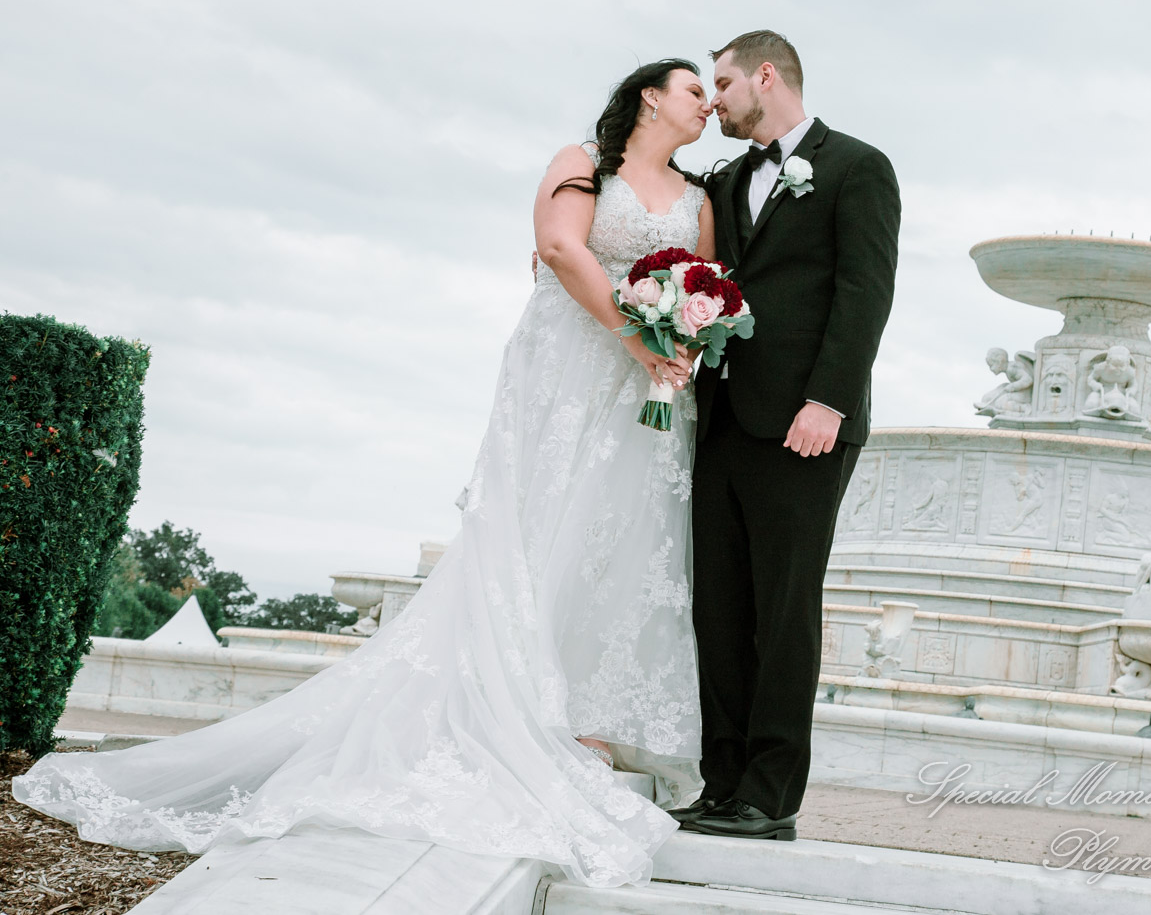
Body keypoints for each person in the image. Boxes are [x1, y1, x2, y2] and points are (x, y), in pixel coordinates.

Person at [12, 58, 718, 889]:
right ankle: (526, 708)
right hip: (567, 372)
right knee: (535, 533)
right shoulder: (582, 162)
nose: (706, 104)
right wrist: (633, 333)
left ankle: (589, 719)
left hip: (643, 394)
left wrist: (676, 344)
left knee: (620, 542)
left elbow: (705, 282)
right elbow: (560, 246)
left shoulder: (699, 199)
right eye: (693, 90)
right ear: (650, 96)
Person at [672, 30, 900, 841]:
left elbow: (865, 289)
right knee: (720, 610)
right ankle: (721, 783)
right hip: (721, 418)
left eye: (723, 83)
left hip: (806, 424)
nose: (715, 102)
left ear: (766, 76)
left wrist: (827, 401)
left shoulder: (858, 167)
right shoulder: (725, 179)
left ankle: (770, 797)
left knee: (784, 609)